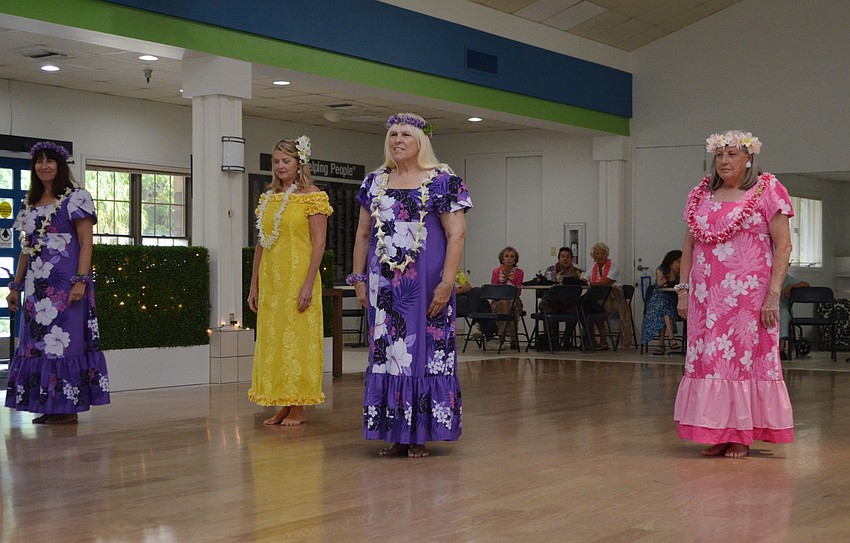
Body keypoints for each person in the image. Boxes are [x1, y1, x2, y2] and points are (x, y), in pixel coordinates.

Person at [351, 113, 472, 458]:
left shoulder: (443, 181)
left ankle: (419, 434)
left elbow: (456, 233)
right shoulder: (374, 182)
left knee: (421, 354)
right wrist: (359, 277)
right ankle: (395, 432)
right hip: (384, 286)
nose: (398, 140)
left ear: (421, 142)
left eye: (406, 134)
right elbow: (361, 233)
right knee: (388, 354)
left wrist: (448, 282)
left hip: (427, 282)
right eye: (392, 134)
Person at [674, 130, 794, 458]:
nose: (724, 161)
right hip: (706, 298)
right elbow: (688, 245)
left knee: (742, 362)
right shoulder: (700, 195)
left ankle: (741, 433)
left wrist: (773, 295)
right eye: (720, 155)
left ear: (749, 158)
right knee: (711, 361)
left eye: (732, 155)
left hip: (748, 298)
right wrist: (683, 292)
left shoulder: (768, 190)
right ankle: (719, 430)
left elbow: (783, 245)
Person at [4, 141, 109, 424]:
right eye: (39, 161)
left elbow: (86, 243)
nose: (44, 166)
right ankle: (49, 405)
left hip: (66, 286)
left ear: (60, 166)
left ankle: (67, 407)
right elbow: (27, 249)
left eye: (50, 161)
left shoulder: (76, 198)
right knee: (37, 344)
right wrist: (15, 286)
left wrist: (80, 281)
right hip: (37, 289)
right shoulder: (30, 205)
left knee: (63, 343)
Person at [247, 136, 333, 427]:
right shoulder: (268, 197)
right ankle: (282, 403)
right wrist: (254, 284)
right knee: (275, 341)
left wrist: (308, 283)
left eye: (286, 161)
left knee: (297, 340)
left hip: (298, 278)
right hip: (273, 280)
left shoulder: (313, 196)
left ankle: (299, 406)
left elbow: (319, 243)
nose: (280, 166)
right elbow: (261, 243)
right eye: (276, 161)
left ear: (300, 164)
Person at [640, 250, 682, 355]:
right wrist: (671, 274)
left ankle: (662, 344)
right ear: (671, 262)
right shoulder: (660, 269)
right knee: (663, 307)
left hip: (673, 298)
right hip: (657, 298)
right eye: (678, 262)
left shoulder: (684, 271)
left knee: (663, 307)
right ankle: (671, 339)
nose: (680, 264)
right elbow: (661, 285)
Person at [581, 242, 619, 350]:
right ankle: (590, 338)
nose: (600, 256)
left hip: (611, 298)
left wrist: (589, 284)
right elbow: (584, 279)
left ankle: (600, 340)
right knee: (582, 306)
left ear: (607, 255)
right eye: (597, 254)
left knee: (591, 307)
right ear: (593, 256)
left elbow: (605, 283)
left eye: (602, 253)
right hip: (595, 297)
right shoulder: (593, 266)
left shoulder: (614, 267)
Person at [490, 246, 524, 349]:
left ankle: (501, 335)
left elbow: (518, 291)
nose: (509, 258)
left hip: (514, 299)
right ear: (502, 259)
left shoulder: (519, 273)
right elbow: (493, 290)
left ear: (515, 260)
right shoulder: (496, 272)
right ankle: (513, 338)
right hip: (498, 300)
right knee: (505, 303)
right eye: (507, 256)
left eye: (512, 257)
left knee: (510, 305)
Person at [779, 272, 810, 359]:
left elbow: (806, 284)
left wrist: (791, 286)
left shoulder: (785, 278)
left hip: (782, 309)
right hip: (766, 307)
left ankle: (781, 347)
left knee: (784, 314)